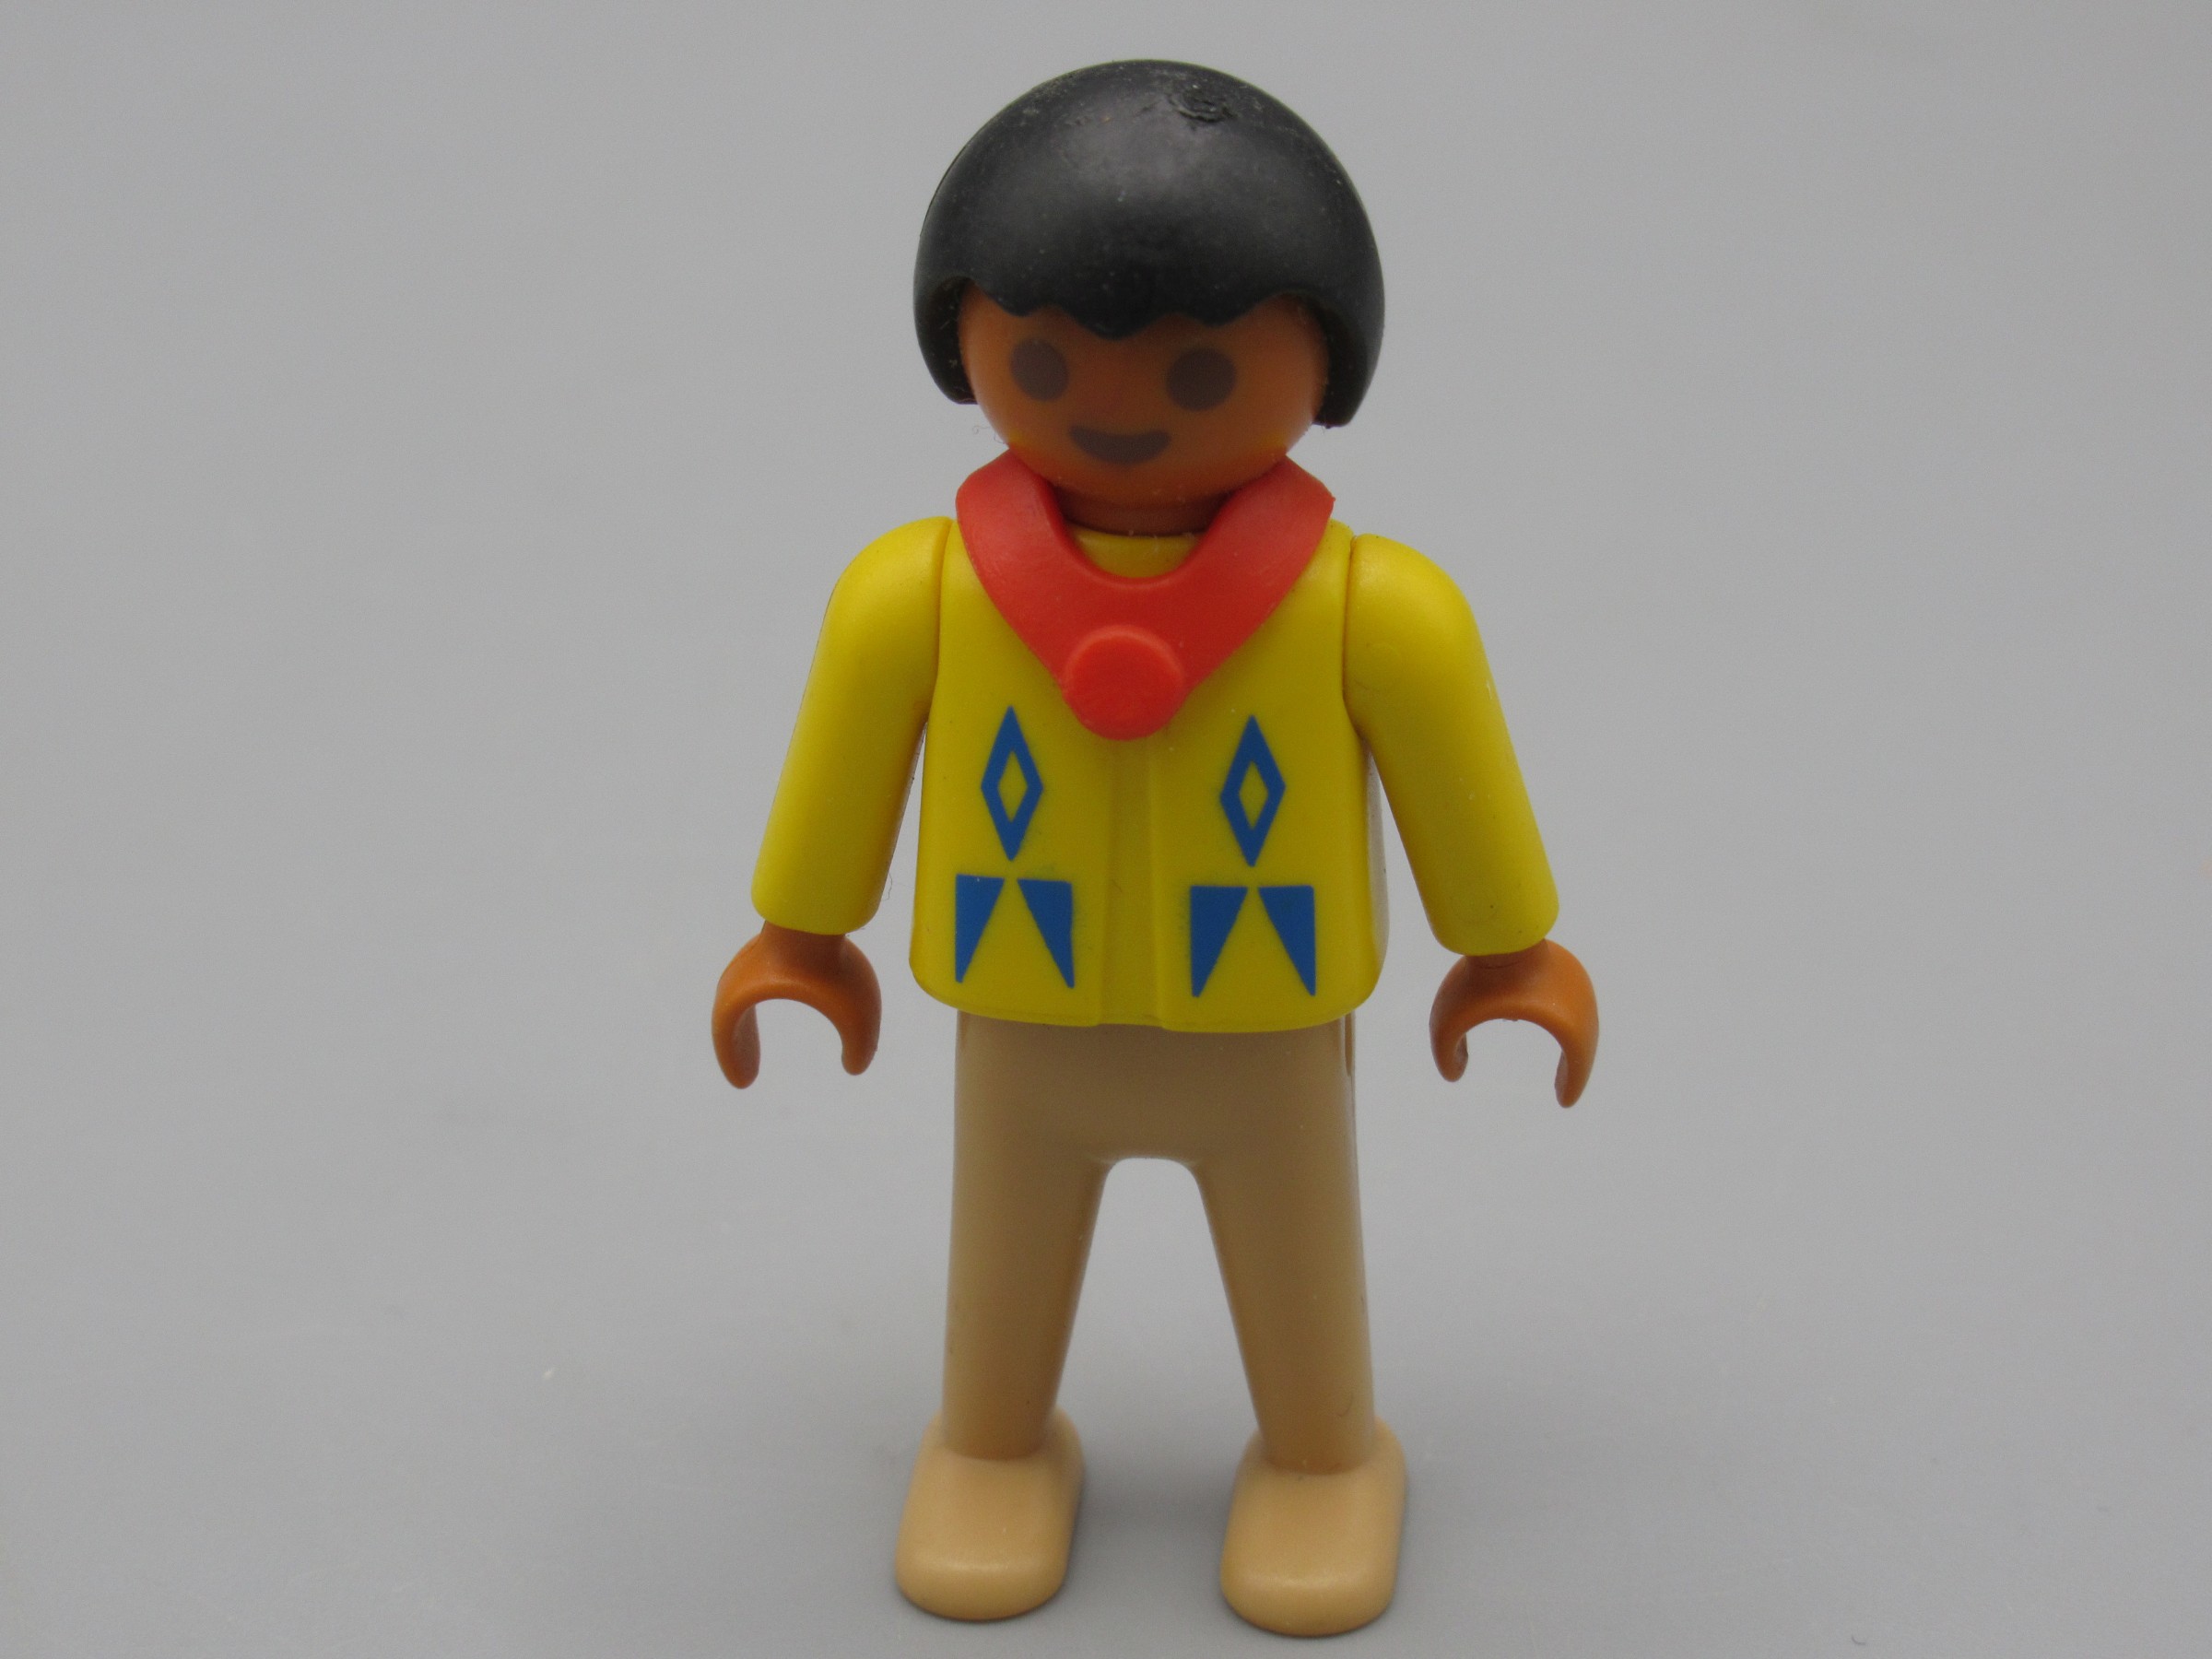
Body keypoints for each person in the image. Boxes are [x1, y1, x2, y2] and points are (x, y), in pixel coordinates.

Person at [712, 60, 1598, 1637]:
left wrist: (1507, 949)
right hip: (1024, 1006)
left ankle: (1324, 1460)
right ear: (963, 338)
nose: (1117, 407)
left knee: (1296, 1255)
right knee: (1003, 1259)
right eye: (1048, 357)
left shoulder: (1367, 611)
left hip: (1262, 1019)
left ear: (1322, 361)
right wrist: (802, 933)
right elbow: (850, 766)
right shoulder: (919, 598)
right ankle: (992, 1448)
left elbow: (1450, 766)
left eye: (1198, 372)